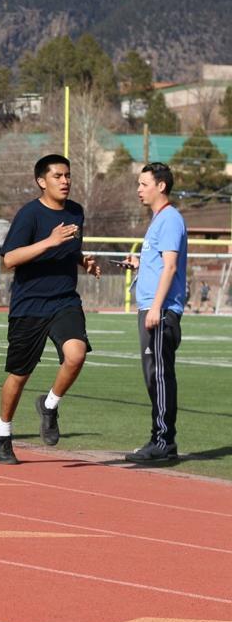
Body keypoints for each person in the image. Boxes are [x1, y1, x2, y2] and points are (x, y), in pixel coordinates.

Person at [0, 154, 100, 465]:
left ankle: (50, 405)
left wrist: (83, 260)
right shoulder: (29, 215)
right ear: (42, 181)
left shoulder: (76, 212)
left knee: (76, 354)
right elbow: (10, 259)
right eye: (58, 176)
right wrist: (49, 241)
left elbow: (70, 247)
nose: (65, 181)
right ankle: (3, 432)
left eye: (68, 175)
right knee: (19, 374)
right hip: (29, 305)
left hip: (65, 300)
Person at [124, 162, 187, 463]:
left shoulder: (170, 219)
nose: (139, 189)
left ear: (161, 186)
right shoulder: (157, 221)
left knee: (160, 376)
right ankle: (159, 439)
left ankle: (163, 441)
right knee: (153, 377)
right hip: (150, 308)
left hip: (159, 312)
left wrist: (158, 307)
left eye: (143, 183)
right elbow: (161, 264)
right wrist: (140, 265)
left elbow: (171, 266)